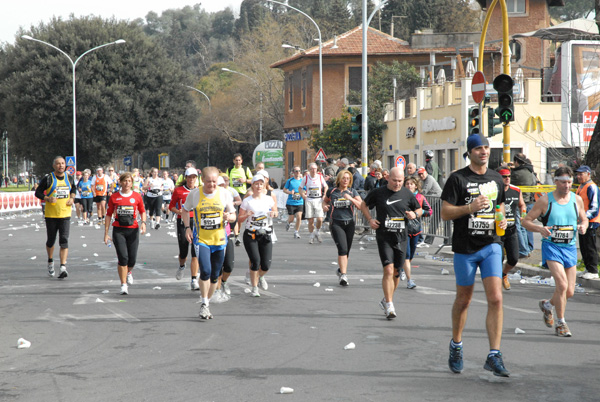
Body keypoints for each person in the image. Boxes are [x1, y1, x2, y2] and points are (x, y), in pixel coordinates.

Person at [441, 134, 509, 377]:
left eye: (486, 147)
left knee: (496, 298)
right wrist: (469, 208)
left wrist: (502, 219)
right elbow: (445, 213)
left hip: (491, 244)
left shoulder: (496, 179)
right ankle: (456, 345)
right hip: (465, 247)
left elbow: (500, 207)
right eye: (478, 148)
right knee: (464, 300)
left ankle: (494, 355)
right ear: (469, 152)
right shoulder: (457, 178)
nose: (483, 151)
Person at [522, 166, 588, 337]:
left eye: (569, 182)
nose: (567, 186)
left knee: (569, 292)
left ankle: (547, 305)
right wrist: (540, 229)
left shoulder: (576, 200)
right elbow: (526, 221)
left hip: (570, 247)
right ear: (556, 182)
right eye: (563, 182)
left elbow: (584, 218)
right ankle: (561, 323)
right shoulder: (545, 201)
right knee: (562, 285)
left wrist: (583, 226)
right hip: (551, 246)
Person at [360, 167, 422, 320]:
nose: (397, 184)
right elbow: (363, 204)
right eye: (394, 180)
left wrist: (414, 214)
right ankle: (389, 304)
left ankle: (387, 299)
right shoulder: (379, 192)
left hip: (401, 238)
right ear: (388, 178)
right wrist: (370, 219)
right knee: (388, 270)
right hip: (384, 237)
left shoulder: (407, 193)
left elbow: (420, 209)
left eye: (400, 181)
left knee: (396, 272)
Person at [182, 167, 236, 320]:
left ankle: (208, 300)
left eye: (214, 182)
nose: (211, 185)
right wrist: (187, 228)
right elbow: (185, 210)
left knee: (214, 276)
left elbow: (233, 214)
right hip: (202, 240)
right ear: (202, 180)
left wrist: (229, 217)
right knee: (205, 271)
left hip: (219, 239)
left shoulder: (224, 193)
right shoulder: (195, 194)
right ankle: (204, 303)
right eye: (208, 182)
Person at [104, 172, 147, 295]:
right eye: (125, 181)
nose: (127, 183)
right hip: (119, 230)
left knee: (132, 260)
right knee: (123, 258)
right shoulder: (114, 197)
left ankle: (129, 272)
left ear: (132, 183)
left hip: (133, 230)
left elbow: (143, 211)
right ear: (120, 182)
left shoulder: (137, 196)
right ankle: (123, 284)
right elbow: (108, 215)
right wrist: (106, 233)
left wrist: (143, 223)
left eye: (129, 181)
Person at [34, 156, 76, 279]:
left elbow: (73, 188)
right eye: (58, 164)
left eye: (63, 163)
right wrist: (47, 198)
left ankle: (63, 266)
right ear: (54, 166)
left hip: (65, 214)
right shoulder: (48, 178)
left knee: (64, 240)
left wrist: (72, 198)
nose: (61, 165)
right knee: (51, 240)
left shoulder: (69, 178)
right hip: (51, 215)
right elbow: (38, 192)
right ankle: (50, 261)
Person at [237, 174, 278, 297]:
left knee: (266, 265)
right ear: (252, 185)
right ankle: (254, 288)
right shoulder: (247, 200)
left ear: (264, 184)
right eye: (256, 184)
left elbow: (275, 212)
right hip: (251, 234)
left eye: (261, 183)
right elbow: (239, 219)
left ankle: (259, 276)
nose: (259, 186)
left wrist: (273, 214)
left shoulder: (269, 199)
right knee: (255, 261)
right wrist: (247, 214)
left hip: (265, 234)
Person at [323, 170, 362, 286]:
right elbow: (324, 201)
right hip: (336, 223)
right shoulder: (332, 191)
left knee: (347, 251)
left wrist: (351, 199)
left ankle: (341, 270)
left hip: (349, 224)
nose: (346, 180)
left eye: (348, 178)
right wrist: (324, 206)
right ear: (339, 179)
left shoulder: (352, 191)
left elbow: (361, 206)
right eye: (344, 178)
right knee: (343, 249)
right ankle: (344, 276)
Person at [169, 168, 201, 290]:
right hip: (182, 222)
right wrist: (179, 212)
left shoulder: (200, 191)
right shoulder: (178, 191)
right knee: (183, 250)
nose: (191, 179)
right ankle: (182, 266)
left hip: (196, 222)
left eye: (194, 177)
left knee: (195, 252)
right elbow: (171, 206)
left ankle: (194, 279)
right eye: (189, 177)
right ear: (185, 178)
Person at [497, 168, 526, 291]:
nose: (507, 178)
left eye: (509, 176)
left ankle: (503, 274)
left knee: (513, 259)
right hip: (497, 230)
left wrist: (523, 216)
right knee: (498, 258)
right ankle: (496, 280)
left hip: (511, 229)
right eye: (504, 176)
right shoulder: (494, 191)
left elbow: (522, 204)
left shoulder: (516, 190)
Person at [403, 176, 432, 289]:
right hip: (404, 230)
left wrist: (419, 212)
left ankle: (403, 268)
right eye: (407, 184)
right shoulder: (401, 196)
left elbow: (429, 211)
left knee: (411, 255)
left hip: (415, 230)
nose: (409, 186)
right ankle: (410, 280)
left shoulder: (420, 197)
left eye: (411, 184)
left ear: (416, 185)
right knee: (407, 254)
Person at [216, 174, 241, 297]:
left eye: (222, 185)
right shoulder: (206, 198)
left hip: (226, 235)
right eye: (218, 185)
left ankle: (224, 282)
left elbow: (234, 216)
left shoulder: (227, 198)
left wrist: (229, 218)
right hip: (211, 237)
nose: (220, 188)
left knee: (229, 265)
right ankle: (216, 289)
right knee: (217, 267)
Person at [575, 165, 600, 279]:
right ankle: (587, 268)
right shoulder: (581, 186)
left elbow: (594, 207)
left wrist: (585, 218)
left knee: (590, 245)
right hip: (582, 220)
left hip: (591, 221)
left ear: (588, 174)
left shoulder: (592, 187)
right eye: (578, 174)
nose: (578, 176)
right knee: (583, 245)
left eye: (581, 174)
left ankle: (593, 270)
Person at [511, 153, 537, 257]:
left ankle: (523, 250)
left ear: (516, 162)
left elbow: (506, 179)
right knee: (527, 226)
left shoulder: (517, 174)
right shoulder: (530, 172)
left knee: (519, 226)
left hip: (521, 203)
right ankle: (529, 248)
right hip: (530, 201)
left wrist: (505, 168)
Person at [227, 154, 253, 245]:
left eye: (239, 160)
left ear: (241, 161)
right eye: (236, 160)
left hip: (242, 194)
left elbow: (252, 180)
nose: (238, 162)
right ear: (233, 161)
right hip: (232, 193)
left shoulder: (245, 169)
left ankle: (237, 233)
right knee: (232, 214)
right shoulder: (230, 169)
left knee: (239, 216)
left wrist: (245, 180)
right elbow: (225, 180)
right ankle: (234, 233)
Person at [299, 162, 328, 244]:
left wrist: (325, 194)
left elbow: (326, 186)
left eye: (315, 169)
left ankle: (317, 231)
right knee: (310, 220)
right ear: (309, 169)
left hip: (318, 199)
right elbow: (300, 188)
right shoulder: (306, 178)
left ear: (317, 169)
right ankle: (311, 235)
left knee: (320, 218)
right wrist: (302, 195)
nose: (313, 170)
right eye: (311, 169)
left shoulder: (320, 177)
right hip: (309, 200)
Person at [283, 166, 304, 239]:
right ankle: (288, 223)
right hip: (291, 202)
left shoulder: (302, 181)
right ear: (293, 172)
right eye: (296, 171)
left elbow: (305, 190)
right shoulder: (290, 181)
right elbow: (284, 190)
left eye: (299, 171)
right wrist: (290, 192)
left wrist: (304, 193)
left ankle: (296, 232)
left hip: (299, 202)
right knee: (291, 218)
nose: (298, 172)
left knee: (299, 217)